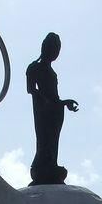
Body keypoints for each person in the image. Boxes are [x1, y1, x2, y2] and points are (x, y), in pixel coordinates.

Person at [26, 33, 78, 185]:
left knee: (53, 141)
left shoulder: (52, 72)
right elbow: (31, 89)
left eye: (57, 50)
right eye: (53, 48)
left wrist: (65, 103)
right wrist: (44, 100)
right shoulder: (34, 67)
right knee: (44, 140)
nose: (55, 53)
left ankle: (51, 165)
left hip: (55, 111)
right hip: (43, 110)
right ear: (45, 48)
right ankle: (39, 167)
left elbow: (55, 96)